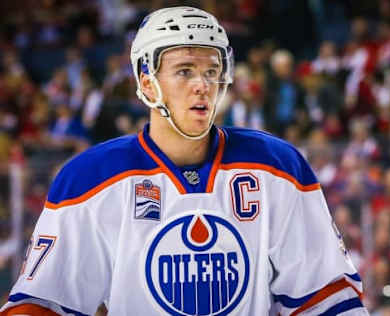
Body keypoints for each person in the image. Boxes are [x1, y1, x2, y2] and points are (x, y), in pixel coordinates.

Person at [1, 7, 368, 315]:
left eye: (211, 71)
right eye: (184, 71)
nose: (202, 85)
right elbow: (41, 304)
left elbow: (327, 297)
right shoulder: (89, 179)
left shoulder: (276, 167)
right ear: (147, 84)